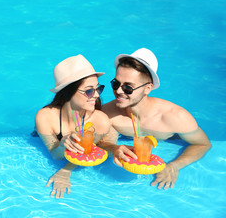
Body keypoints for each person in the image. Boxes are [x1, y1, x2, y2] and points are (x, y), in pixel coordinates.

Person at [101, 48, 212, 190]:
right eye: (115, 84)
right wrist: (114, 148)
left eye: (128, 87)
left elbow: (202, 144)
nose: (119, 91)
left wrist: (174, 166)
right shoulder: (108, 113)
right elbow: (101, 142)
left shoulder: (175, 117)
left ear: (148, 88)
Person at [35, 54, 112, 198]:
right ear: (68, 93)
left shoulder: (100, 122)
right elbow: (56, 156)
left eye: (98, 88)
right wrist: (62, 145)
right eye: (89, 91)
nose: (96, 95)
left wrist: (66, 171)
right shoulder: (45, 117)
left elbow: (85, 155)